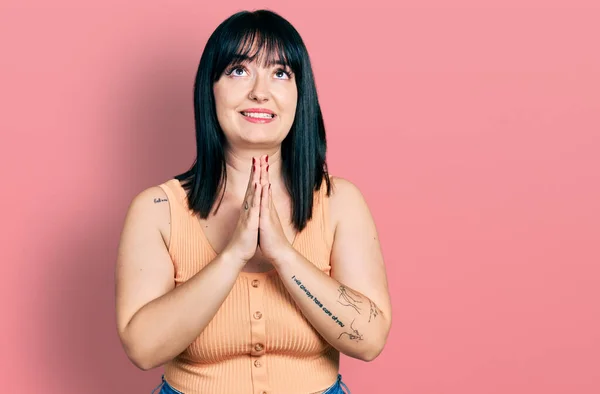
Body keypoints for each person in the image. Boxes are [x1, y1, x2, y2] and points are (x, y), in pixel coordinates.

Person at [115, 9, 392, 394]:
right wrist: (233, 255)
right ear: (209, 88)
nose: (260, 91)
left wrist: (284, 255)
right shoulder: (157, 210)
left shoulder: (339, 201)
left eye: (280, 73)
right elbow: (143, 350)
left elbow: (370, 340)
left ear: (301, 94)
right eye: (239, 71)